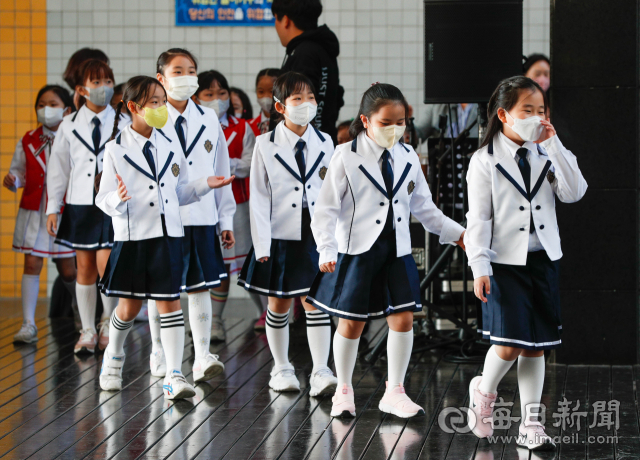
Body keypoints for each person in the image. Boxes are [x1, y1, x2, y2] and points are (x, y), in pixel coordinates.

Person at [307, 83, 465, 419]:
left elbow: (425, 209)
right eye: (386, 122)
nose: (395, 129)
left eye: (401, 122)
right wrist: (326, 248)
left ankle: (395, 390)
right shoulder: (344, 155)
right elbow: (325, 210)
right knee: (351, 324)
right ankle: (344, 390)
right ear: (365, 120)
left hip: (397, 249)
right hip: (357, 250)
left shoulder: (407, 155)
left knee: (404, 318)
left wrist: (458, 234)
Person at [464, 76, 587, 450]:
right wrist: (479, 265)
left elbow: (575, 192)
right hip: (503, 262)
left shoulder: (547, 151)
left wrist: (552, 142)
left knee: (537, 345)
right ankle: (484, 394)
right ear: (503, 115)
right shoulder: (483, 161)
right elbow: (479, 219)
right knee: (508, 344)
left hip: (542, 258)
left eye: (540, 110)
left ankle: (531, 424)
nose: (536, 117)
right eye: (527, 111)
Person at [96, 75, 234, 398]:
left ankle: (174, 374)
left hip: (169, 235)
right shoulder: (115, 149)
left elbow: (181, 191)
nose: (160, 108)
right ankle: (113, 356)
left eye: (161, 101)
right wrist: (117, 198)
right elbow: (102, 199)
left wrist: (204, 185)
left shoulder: (170, 143)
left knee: (170, 304)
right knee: (129, 309)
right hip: (133, 237)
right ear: (133, 107)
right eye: (153, 103)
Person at [238, 72, 338, 396]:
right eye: (297, 99)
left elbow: (332, 194)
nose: (306, 104)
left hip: (315, 233)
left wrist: (331, 242)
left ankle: (321, 370)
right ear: (280, 106)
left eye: (310, 97)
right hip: (279, 232)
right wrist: (261, 243)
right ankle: (281, 367)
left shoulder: (325, 141)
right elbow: (258, 197)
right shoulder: (265, 144)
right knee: (278, 303)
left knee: (316, 303)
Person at [145, 48, 235, 381]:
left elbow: (221, 172)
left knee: (200, 287)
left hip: (201, 216)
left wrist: (225, 220)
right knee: (164, 290)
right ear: (161, 79)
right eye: (177, 71)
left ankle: (201, 355)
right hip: (163, 219)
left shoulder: (209, 118)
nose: (186, 77)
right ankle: (159, 350)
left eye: (191, 70)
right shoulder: (151, 117)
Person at [46, 59, 125, 354]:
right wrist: (53, 207)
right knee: (84, 267)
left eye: (108, 81)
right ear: (81, 89)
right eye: (97, 82)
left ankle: (108, 321)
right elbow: (59, 169)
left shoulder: (124, 122)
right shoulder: (68, 125)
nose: (104, 88)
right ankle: (87, 330)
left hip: (111, 203)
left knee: (107, 265)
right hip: (80, 203)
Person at [3, 85, 78, 343]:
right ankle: (28, 324)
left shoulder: (74, 137)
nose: (47, 109)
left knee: (69, 270)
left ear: (68, 110)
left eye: (54, 104)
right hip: (35, 210)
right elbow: (20, 173)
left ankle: (81, 313)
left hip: (63, 210)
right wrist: (14, 180)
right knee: (32, 263)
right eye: (42, 104)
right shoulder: (28, 139)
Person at [192, 70, 256, 342]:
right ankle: (213, 321)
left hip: (239, 203)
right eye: (209, 94)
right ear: (196, 97)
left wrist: (225, 165)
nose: (217, 99)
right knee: (212, 266)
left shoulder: (242, 128)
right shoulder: (191, 125)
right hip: (200, 202)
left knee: (243, 263)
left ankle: (266, 313)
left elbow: (251, 163)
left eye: (222, 93)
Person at [271, 0, 344, 142]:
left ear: (285, 20)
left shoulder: (304, 54)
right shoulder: (322, 48)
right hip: (322, 140)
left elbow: (298, 108)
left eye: (275, 19)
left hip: (301, 148)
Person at [249, 68, 281, 139]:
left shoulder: (289, 125)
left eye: (271, 91)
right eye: (261, 92)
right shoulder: (248, 126)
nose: (266, 97)